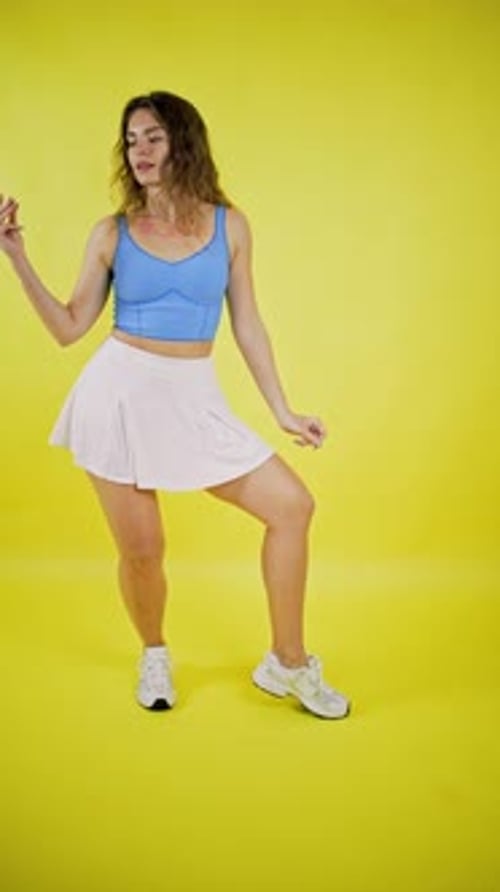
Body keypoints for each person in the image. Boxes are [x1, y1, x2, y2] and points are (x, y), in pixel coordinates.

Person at [0, 91, 350, 719]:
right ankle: (154, 653)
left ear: (183, 142)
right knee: (143, 550)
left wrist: (282, 410)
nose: (139, 151)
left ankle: (288, 662)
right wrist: (15, 256)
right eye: (132, 140)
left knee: (292, 507)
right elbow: (69, 327)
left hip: (194, 396)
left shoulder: (229, 226)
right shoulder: (111, 233)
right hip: (118, 397)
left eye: (153, 137)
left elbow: (247, 323)